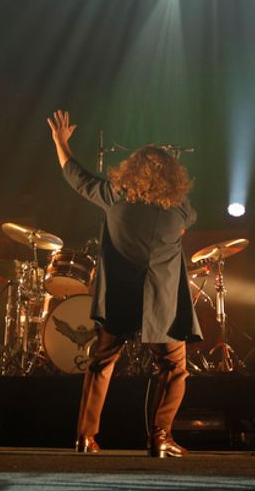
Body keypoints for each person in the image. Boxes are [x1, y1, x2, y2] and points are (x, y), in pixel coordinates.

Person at [47, 110, 201, 458]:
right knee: (174, 367)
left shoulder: (114, 194)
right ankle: (160, 437)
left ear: (131, 170)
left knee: (101, 363)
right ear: (172, 175)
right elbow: (187, 222)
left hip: (119, 298)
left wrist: (61, 141)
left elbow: (75, 174)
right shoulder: (180, 207)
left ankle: (85, 437)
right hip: (160, 303)